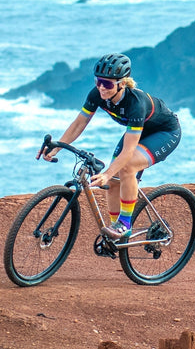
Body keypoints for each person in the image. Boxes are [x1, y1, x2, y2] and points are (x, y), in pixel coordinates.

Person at [39, 53, 182, 239]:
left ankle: (124, 224)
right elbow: (79, 124)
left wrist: (106, 173)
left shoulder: (136, 104)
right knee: (114, 181)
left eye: (107, 84)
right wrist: (58, 146)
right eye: (98, 81)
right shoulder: (97, 94)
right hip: (137, 130)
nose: (101, 87)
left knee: (127, 167)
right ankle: (115, 232)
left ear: (122, 83)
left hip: (164, 133)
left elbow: (129, 150)